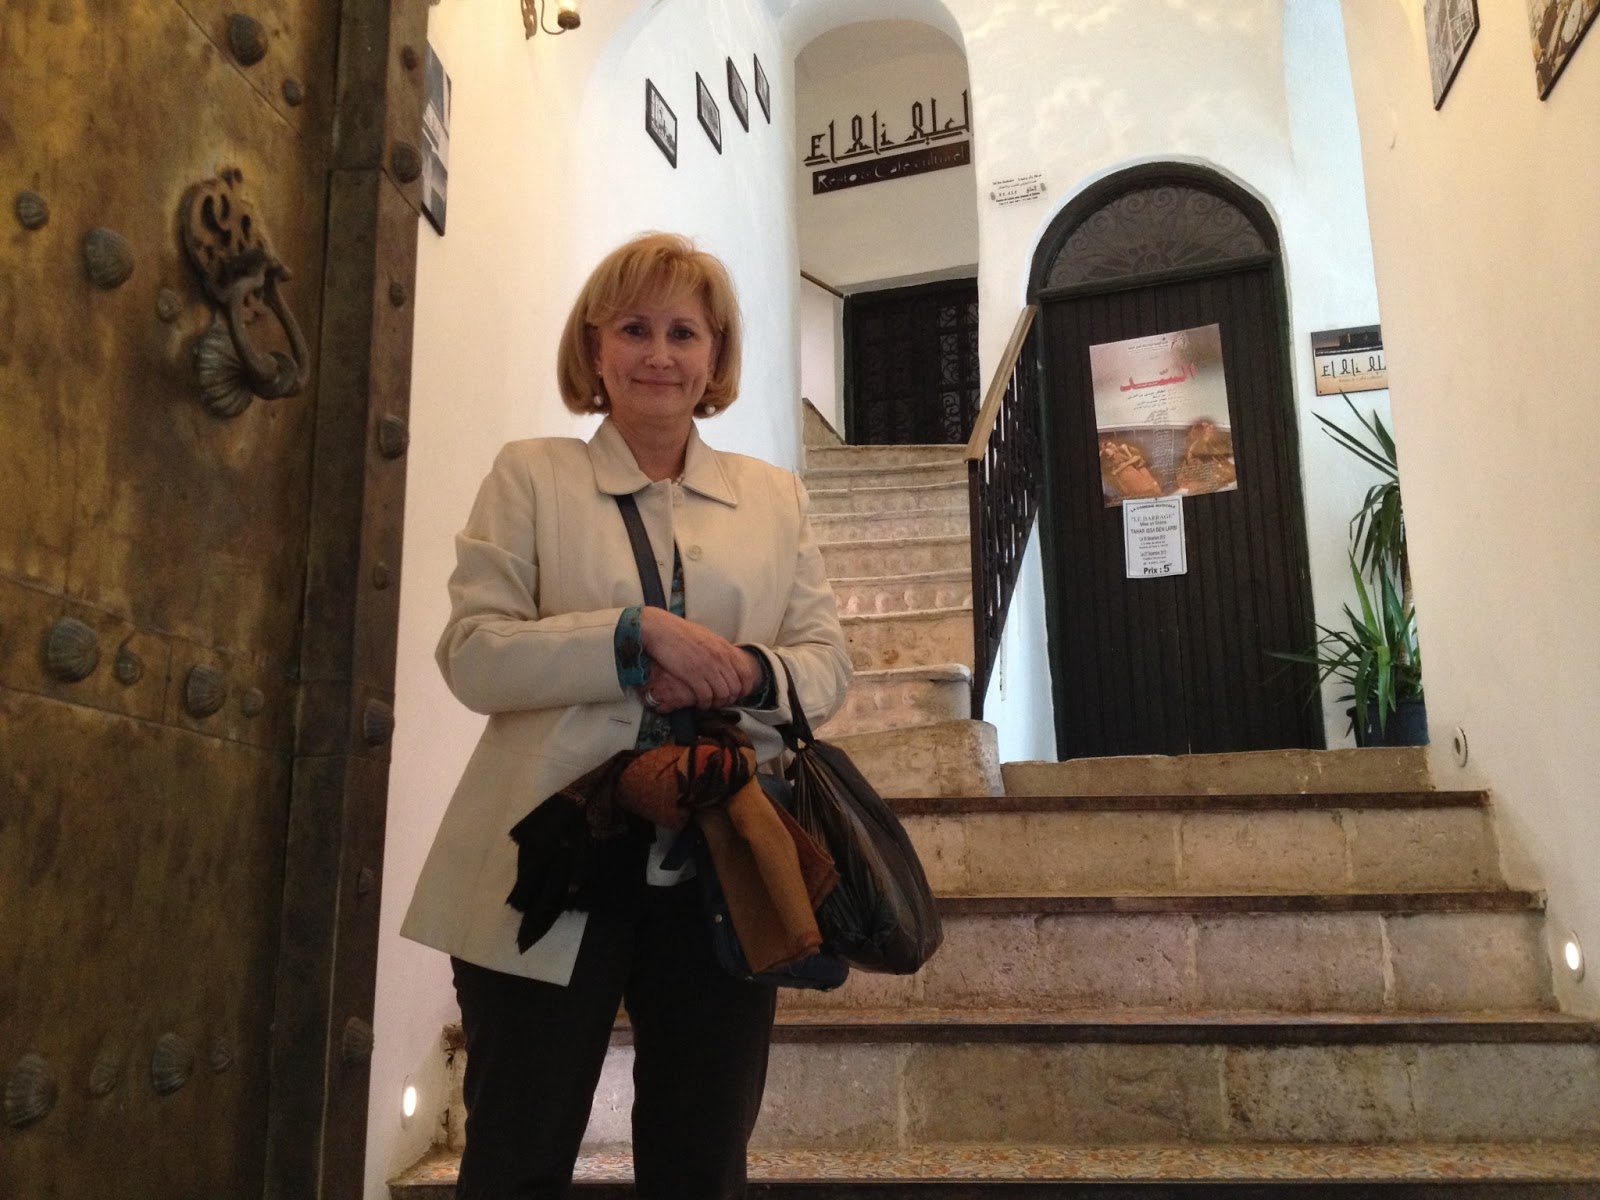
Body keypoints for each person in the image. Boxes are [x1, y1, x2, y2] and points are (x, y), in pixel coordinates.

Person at [400, 232, 852, 1199]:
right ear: (595, 349)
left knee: (702, 1162)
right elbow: (473, 652)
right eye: (634, 329)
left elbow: (826, 665)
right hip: (553, 848)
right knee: (516, 1155)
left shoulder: (774, 500)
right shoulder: (531, 476)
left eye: (684, 333)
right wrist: (630, 637)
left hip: (721, 856)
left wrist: (739, 670)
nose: (659, 354)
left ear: (715, 356)